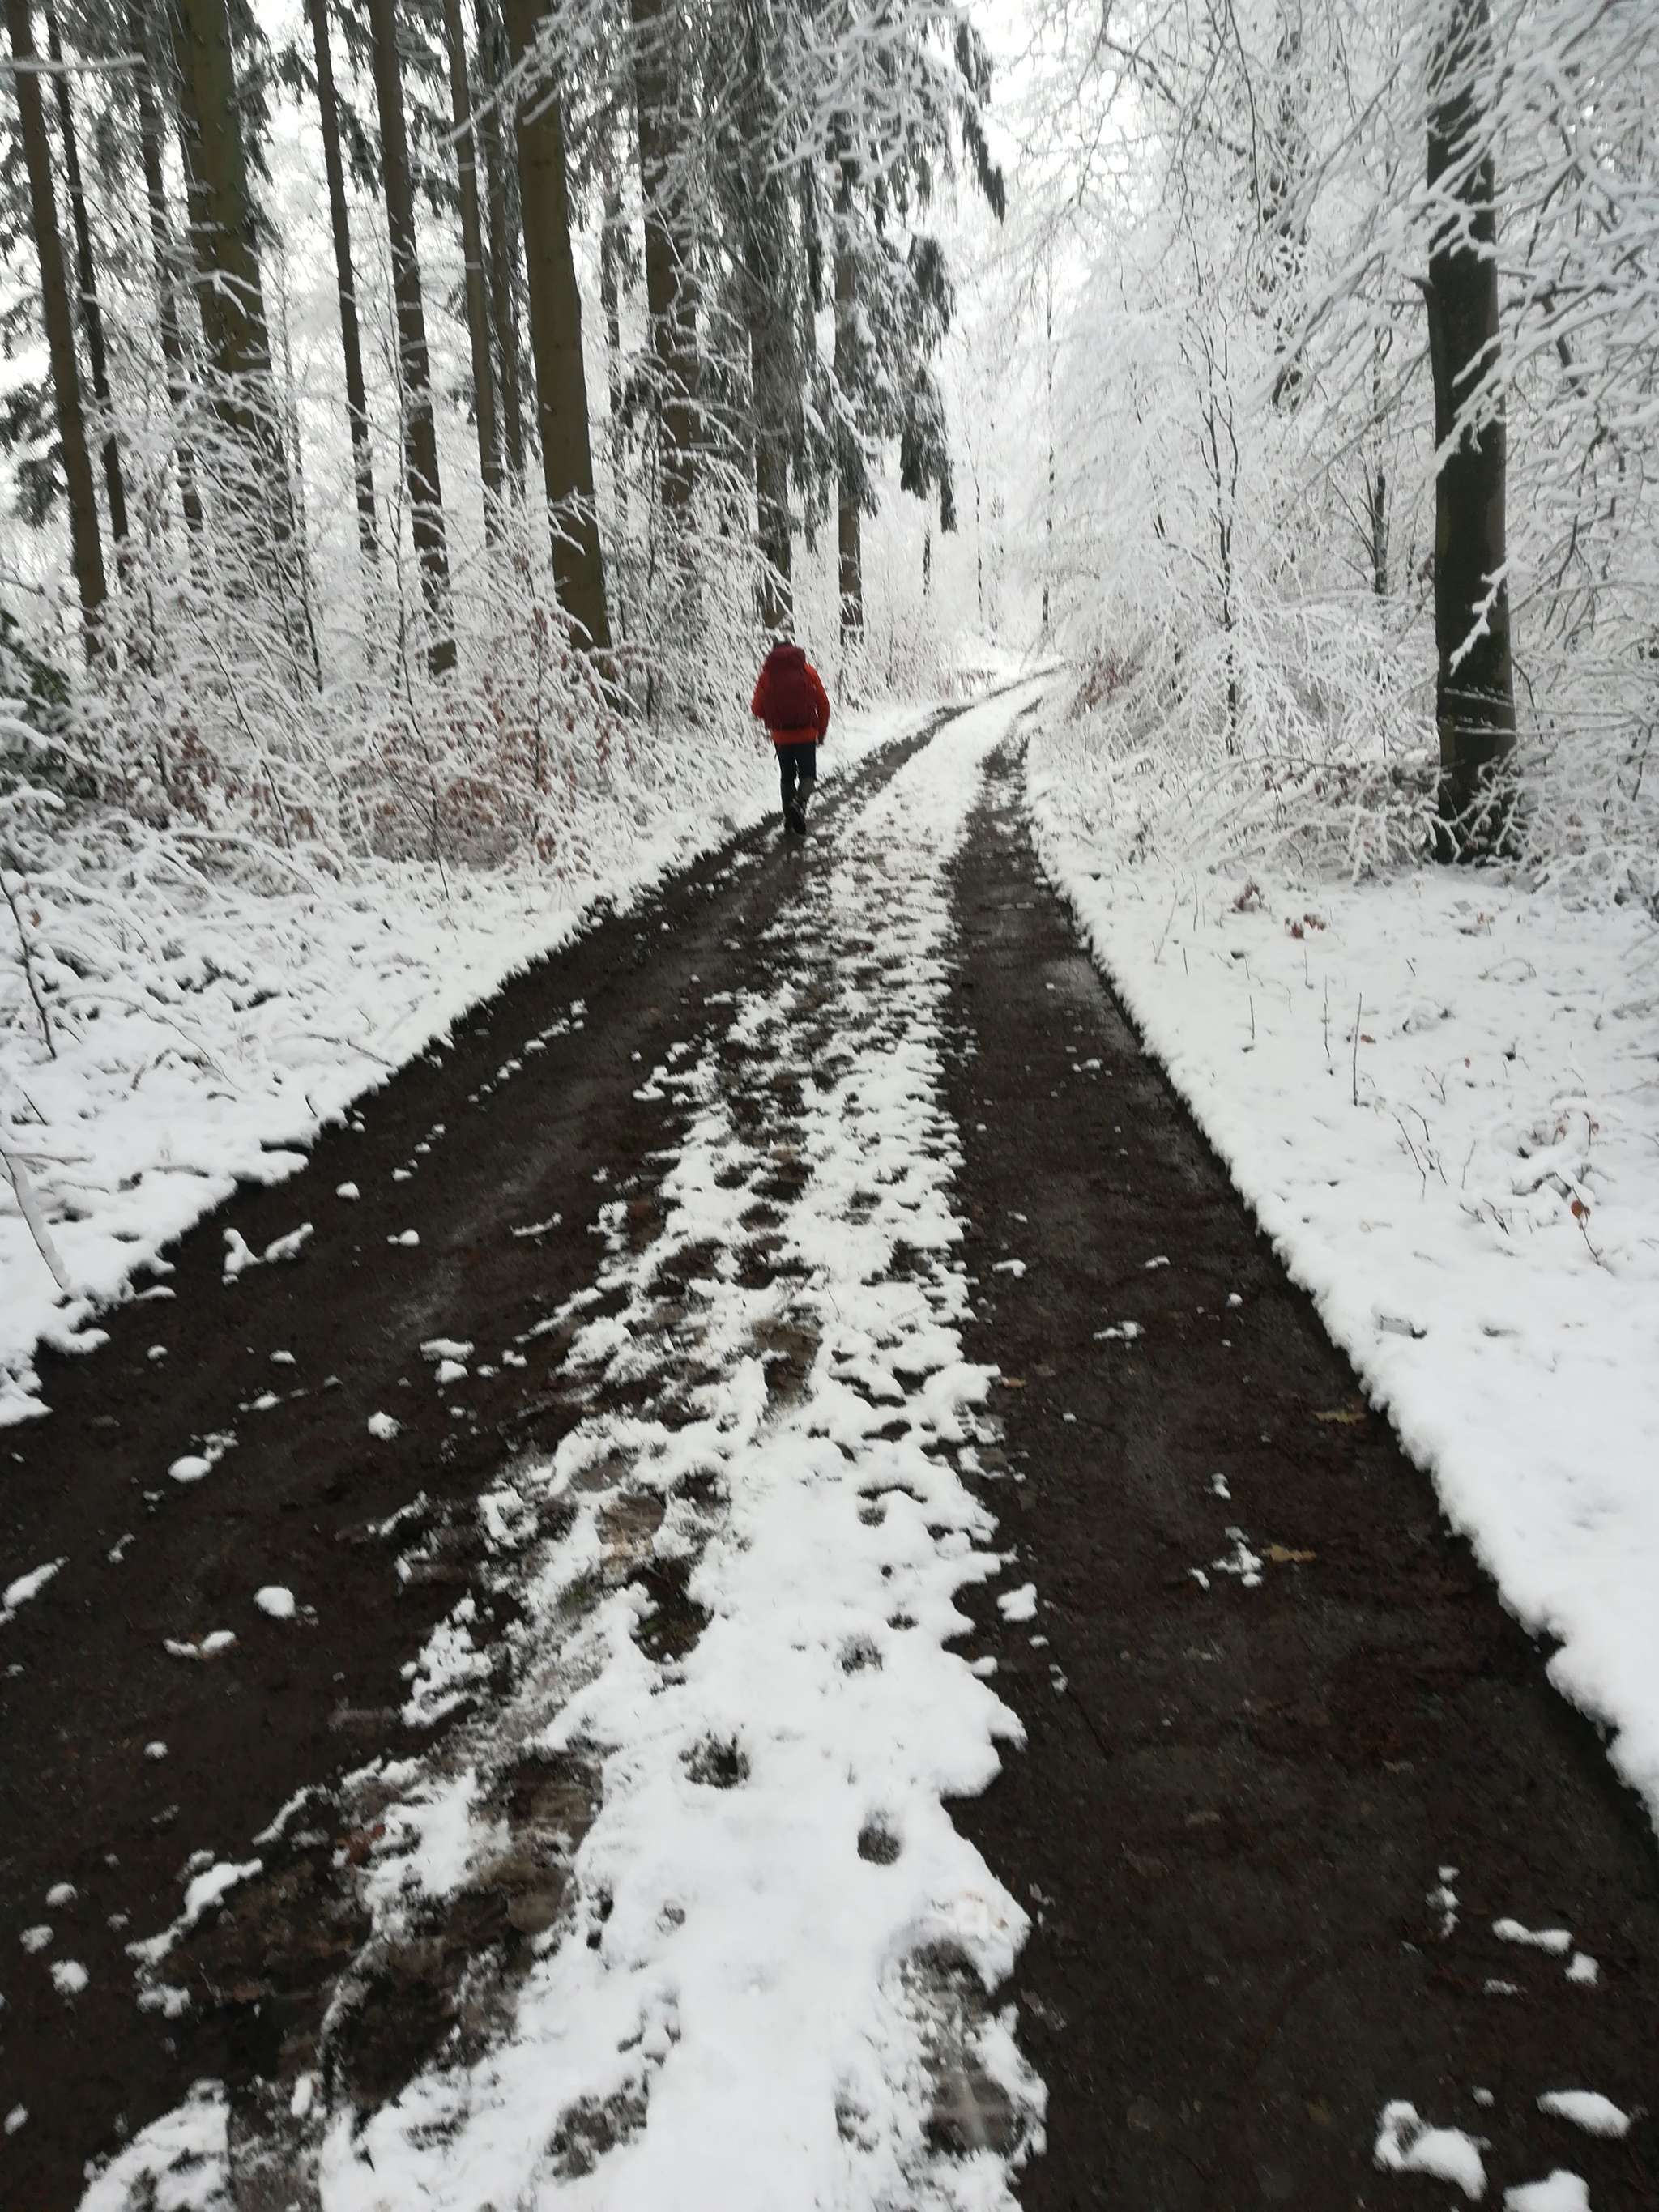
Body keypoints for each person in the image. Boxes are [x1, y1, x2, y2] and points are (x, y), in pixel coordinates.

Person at [750, 637, 831, 836]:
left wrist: (773, 715)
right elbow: (823, 704)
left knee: (787, 777)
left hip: (781, 737)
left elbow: (756, 708)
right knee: (808, 775)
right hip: (806, 734)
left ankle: (789, 817)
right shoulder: (808, 672)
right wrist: (821, 732)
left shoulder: (767, 676)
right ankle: (799, 803)